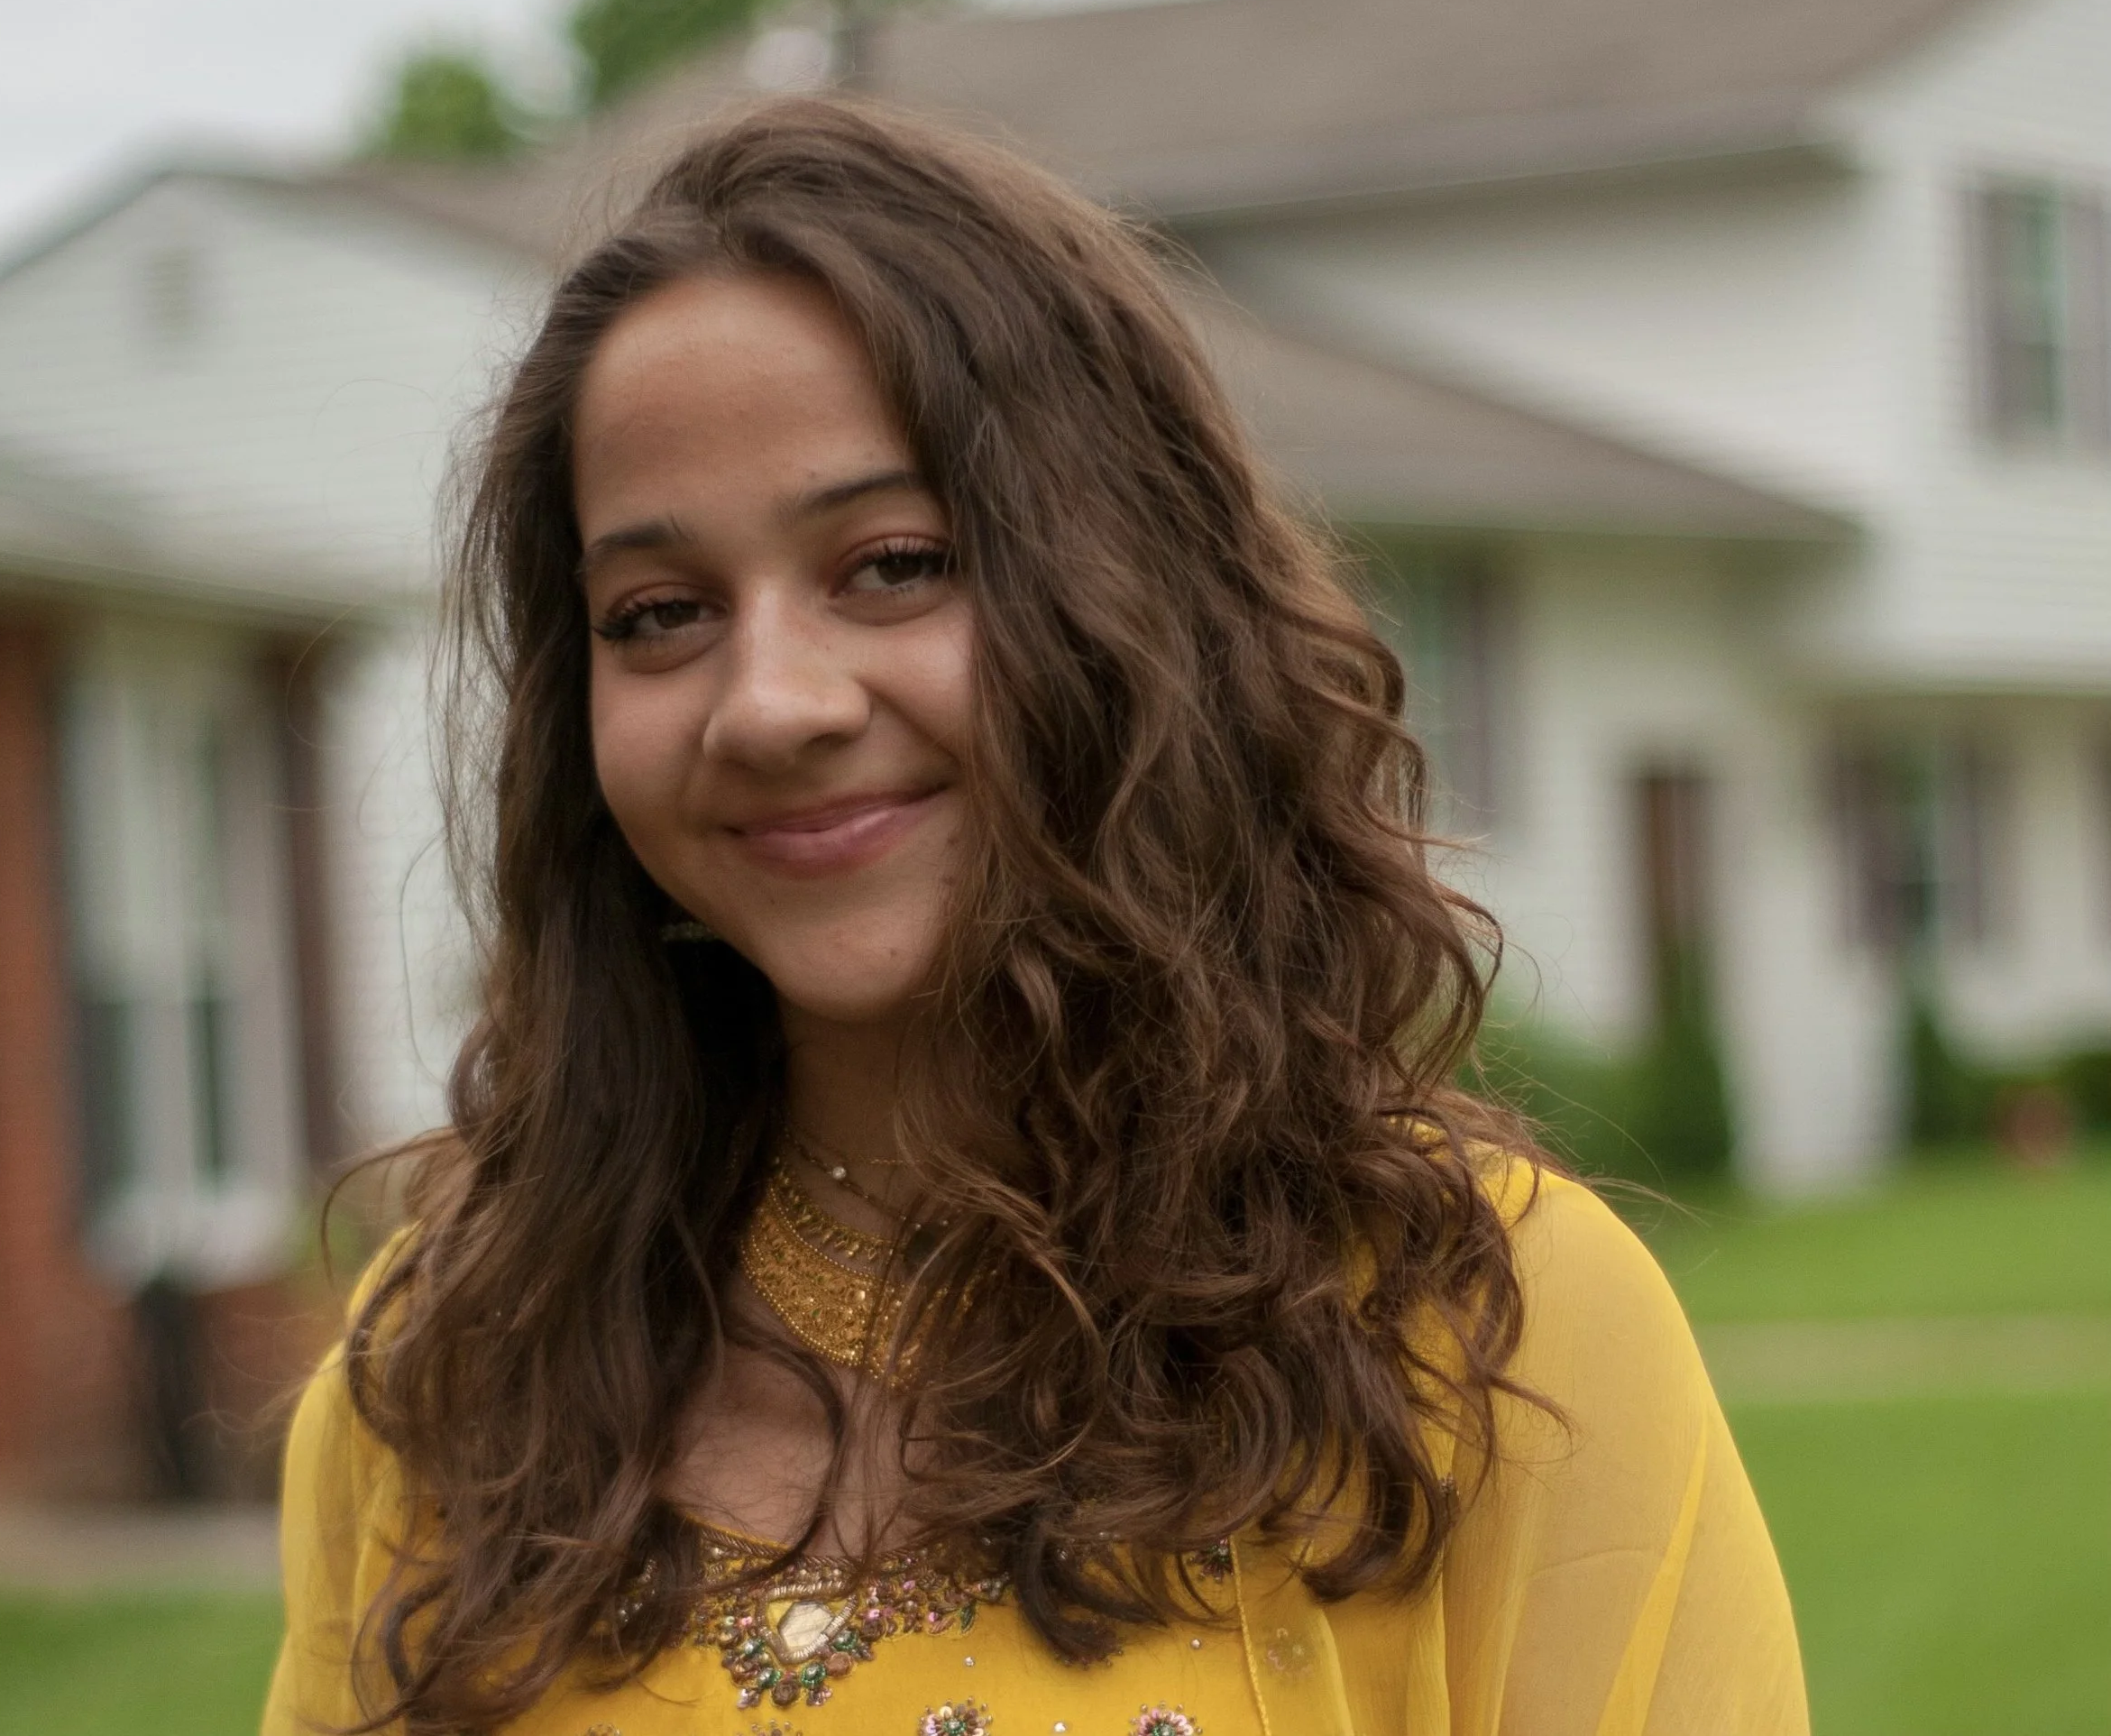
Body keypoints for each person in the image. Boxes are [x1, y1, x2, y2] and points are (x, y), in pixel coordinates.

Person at [264, 100, 1806, 1736]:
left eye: (895, 564)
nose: (770, 703)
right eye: (660, 614)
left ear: (1129, 601)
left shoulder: (1492, 1341)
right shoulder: (454, 1373)